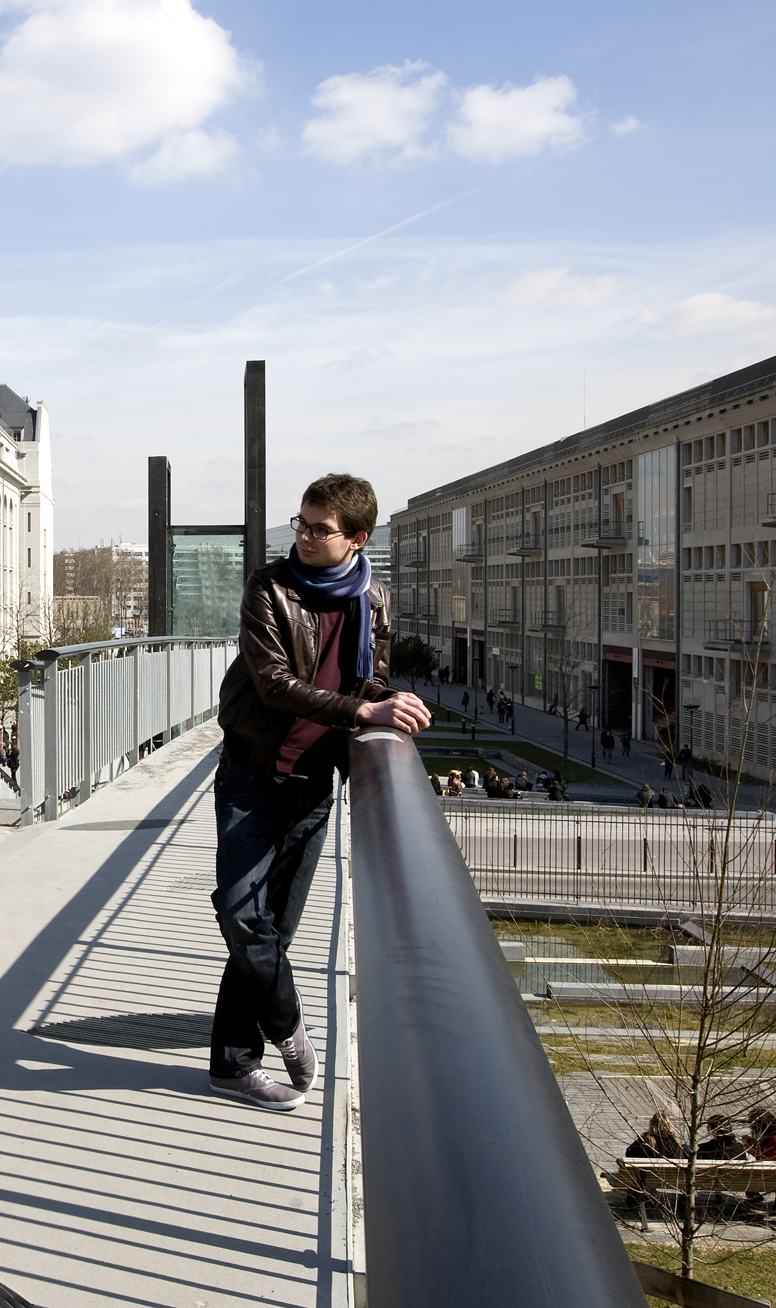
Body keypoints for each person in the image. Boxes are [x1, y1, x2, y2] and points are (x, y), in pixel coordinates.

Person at [208, 473, 428, 1110]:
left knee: (272, 929)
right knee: (241, 913)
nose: (303, 536)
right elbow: (273, 684)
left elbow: (369, 679)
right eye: (300, 523)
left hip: (314, 780)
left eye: (319, 529)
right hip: (253, 770)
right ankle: (287, 1024)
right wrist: (362, 712)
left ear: (357, 539)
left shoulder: (373, 599)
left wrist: (390, 700)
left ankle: (231, 1065)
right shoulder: (270, 587)